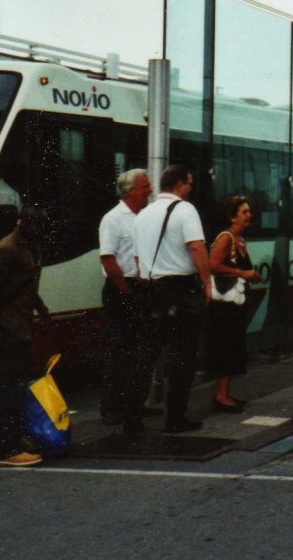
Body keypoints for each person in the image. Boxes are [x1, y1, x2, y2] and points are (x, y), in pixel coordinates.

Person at [134, 164, 212, 434]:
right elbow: (196, 247)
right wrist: (207, 283)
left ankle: (132, 418)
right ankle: (175, 418)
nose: (190, 188)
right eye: (189, 183)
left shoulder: (143, 214)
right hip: (180, 290)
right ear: (179, 184)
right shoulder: (185, 210)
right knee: (182, 358)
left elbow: (136, 257)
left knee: (146, 355)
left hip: (150, 288)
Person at [0, 206, 49, 468]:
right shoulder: (7, 250)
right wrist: (1, 325)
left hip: (17, 326)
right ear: (24, 224)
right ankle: (4, 448)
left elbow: (25, 283)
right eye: (33, 226)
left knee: (7, 389)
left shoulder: (26, 247)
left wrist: (40, 309)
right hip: (7, 329)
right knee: (6, 391)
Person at [98, 168, 155, 427]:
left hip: (139, 287)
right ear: (131, 191)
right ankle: (112, 408)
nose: (150, 191)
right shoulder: (113, 219)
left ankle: (133, 404)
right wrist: (124, 288)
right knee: (119, 351)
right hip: (121, 289)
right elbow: (108, 258)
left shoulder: (144, 217)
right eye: (145, 187)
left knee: (138, 351)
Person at [206, 195, 261, 413]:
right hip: (225, 307)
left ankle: (225, 393)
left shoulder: (240, 240)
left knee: (232, 347)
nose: (249, 215)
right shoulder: (226, 238)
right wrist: (243, 272)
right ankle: (220, 396)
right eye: (244, 212)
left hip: (235, 305)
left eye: (249, 211)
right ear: (232, 217)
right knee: (226, 347)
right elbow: (213, 265)